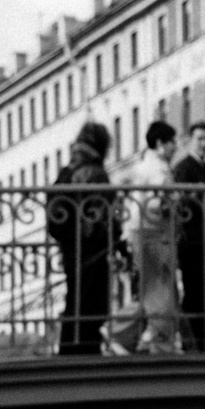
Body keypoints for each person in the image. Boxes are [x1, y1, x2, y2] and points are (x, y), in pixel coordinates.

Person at [46, 121, 118, 356]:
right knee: (92, 304)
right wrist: (115, 235)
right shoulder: (94, 172)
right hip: (92, 247)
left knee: (75, 302)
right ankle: (86, 352)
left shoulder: (68, 171)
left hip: (70, 248)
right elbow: (102, 213)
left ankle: (68, 351)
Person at [110, 119, 180, 356]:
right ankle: (155, 342)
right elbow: (157, 203)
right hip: (153, 233)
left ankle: (124, 333)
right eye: (171, 142)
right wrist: (174, 205)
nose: (175, 147)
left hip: (139, 232)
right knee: (159, 292)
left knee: (152, 291)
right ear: (160, 143)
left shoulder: (142, 165)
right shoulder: (158, 168)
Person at [170, 119, 205, 350]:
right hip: (192, 242)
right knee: (194, 292)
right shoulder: (185, 167)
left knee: (203, 292)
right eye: (200, 139)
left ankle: (202, 340)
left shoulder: (202, 168)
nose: (204, 143)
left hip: (203, 241)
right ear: (190, 141)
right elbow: (183, 205)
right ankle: (194, 342)